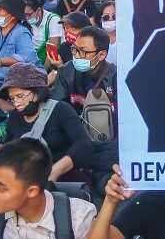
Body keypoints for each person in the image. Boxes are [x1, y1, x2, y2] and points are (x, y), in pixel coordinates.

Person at [49, 26, 118, 188]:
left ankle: (84, 168)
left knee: (111, 167)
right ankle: (86, 169)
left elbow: (125, 127)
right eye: (74, 50)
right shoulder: (67, 72)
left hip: (107, 144)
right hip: (75, 139)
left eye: (83, 52)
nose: (77, 56)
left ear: (101, 55)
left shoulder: (117, 78)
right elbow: (57, 111)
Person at [1, 63, 92, 183]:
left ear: (37, 92)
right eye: (12, 99)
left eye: (20, 96)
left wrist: (56, 171)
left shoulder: (61, 110)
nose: (16, 103)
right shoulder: (14, 116)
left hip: (63, 179)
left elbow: (83, 144)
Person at [0, 0, 40, 91]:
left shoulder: (21, 32)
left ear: (12, 16)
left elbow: (28, 58)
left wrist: (0, 62)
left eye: (1, 9)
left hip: (17, 85)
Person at [24, 0, 62, 66]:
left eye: (29, 15)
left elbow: (52, 51)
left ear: (38, 11)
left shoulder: (53, 20)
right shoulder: (26, 21)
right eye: (24, 15)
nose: (27, 18)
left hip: (48, 62)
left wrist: (44, 71)